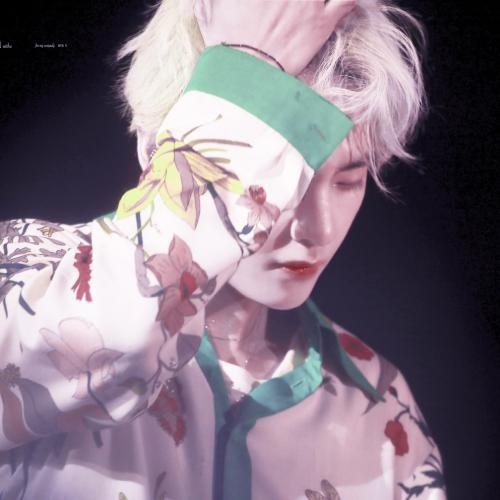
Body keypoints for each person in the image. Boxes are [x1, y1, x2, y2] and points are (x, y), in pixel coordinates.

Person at [0, 0, 447, 498]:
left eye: (348, 181)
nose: (317, 228)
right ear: (155, 148)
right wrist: (248, 72)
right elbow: (114, 338)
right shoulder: (26, 279)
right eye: (284, 176)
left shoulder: (382, 404)